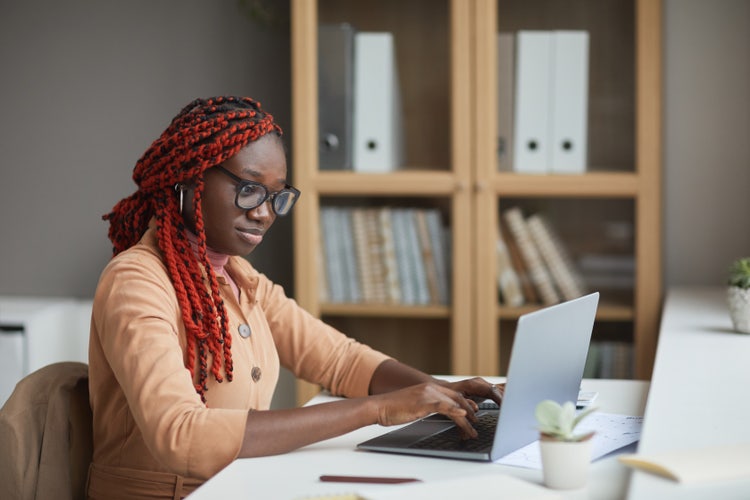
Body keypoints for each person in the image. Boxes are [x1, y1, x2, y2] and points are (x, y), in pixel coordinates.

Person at [87, 96, 503, 499]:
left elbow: (341, 361)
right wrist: (379, 409)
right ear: (190, 177)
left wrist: (439, 392)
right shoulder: (137, 282)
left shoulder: (237, 276)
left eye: (275, 196)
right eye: (249, 189)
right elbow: (181, 435)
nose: (265, 213)